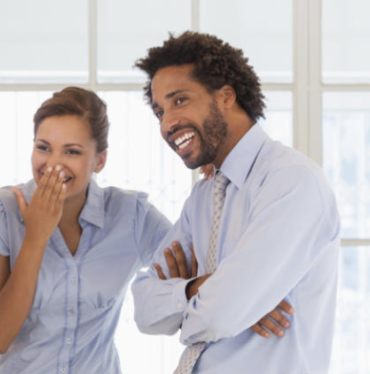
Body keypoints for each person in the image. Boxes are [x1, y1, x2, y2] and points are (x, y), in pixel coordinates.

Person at [130, 31, 340, 374]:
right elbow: (143, 309)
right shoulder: (203, 197)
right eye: (159, 112)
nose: (167, 124)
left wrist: (199, 303)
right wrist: (200, 286)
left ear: (226, 96)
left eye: (180, 100)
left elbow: (220, 315)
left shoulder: (292, 181)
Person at [0, 86, 172, 373]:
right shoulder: (0, 211)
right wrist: (36, 237)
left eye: (72, 151)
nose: (53, 164)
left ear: (99, 160)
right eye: (43, 148)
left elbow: (198, 260)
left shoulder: (132, 215)